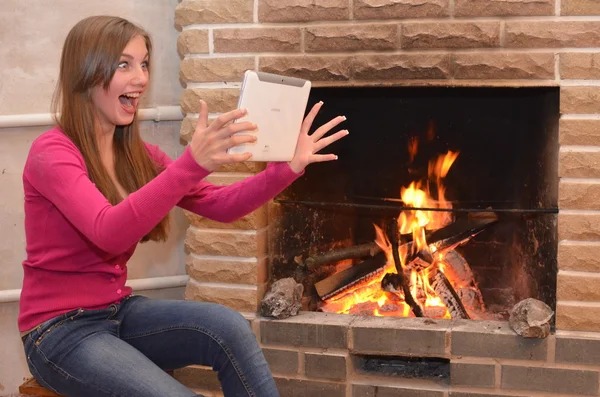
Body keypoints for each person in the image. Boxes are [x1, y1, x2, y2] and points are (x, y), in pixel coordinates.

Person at [19, 15, 348, 397]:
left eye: (143, 64)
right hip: (59, 333)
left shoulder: (137, 155)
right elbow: (108, 231)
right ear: (87, 71)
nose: (141, 77)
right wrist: (192, 164)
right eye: (124, 64)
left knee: (228, 328)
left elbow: (221, 205)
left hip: (116, 313)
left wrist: (287, 170)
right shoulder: (52, 153)